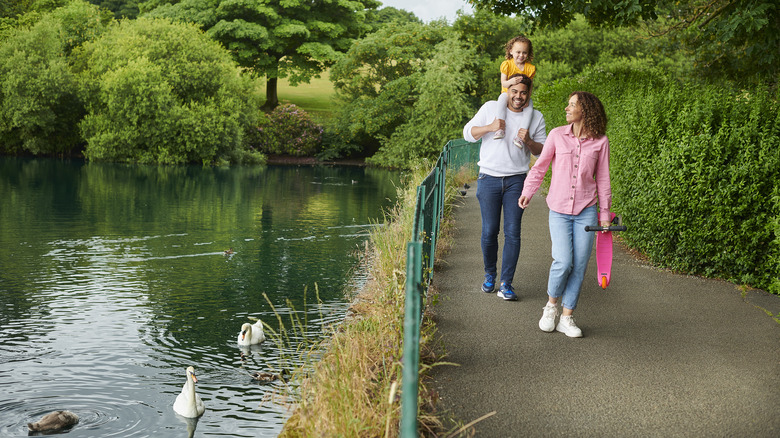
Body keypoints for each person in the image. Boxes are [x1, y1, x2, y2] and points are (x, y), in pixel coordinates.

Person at [518, 91, 612, 337]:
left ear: (586, 111)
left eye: (572, 105)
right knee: (563, 261)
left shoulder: (600, 141)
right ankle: (551, 307)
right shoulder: (557, 135)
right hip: (559, 209)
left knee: (580, 265)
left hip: (587, 210)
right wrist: (529, 190)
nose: (567, 109)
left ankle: (567, 317)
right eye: (568, 104)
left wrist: (604, 214)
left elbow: (603, 179)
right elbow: (540, 166)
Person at [463, 74, 547, 301]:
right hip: (488, 178)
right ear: (507, 90)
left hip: (517, 181)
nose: (518, 96)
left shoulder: (536, 117)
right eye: (514, 91)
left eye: (523, 93)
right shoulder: (491, 108)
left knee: (513, 233)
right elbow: (467, 133)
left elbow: (542, 151)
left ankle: (506, 284)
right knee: (489, 231)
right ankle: (490, 274)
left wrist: (529, 141)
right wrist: (490, 127)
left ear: (528, 94)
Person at [493, 36, 536, 148]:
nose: (521, 55)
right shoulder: (507, 65)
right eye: (518, 52)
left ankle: (520, 137)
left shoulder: (530, 68)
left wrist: (527, 98)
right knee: (501, 100)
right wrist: (511, 81)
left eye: (524, 53)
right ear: (511, 51)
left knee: (529, 108)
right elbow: (504, 83)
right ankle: (500, 129)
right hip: (507, 94)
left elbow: (530, 85)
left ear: (528, 53)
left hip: (522, 96)